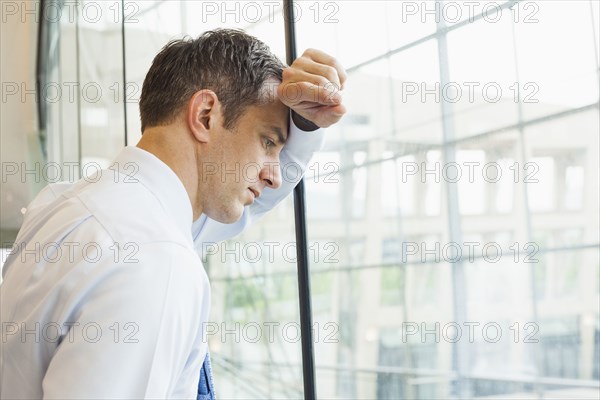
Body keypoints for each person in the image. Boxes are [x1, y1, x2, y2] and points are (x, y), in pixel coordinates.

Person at [0, 29, 346, 399]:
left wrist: (305, 125)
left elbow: (243, 202)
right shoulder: (155, 258)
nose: (274, 177)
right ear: (206, 115)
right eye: (267, 141)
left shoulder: (67, 205)